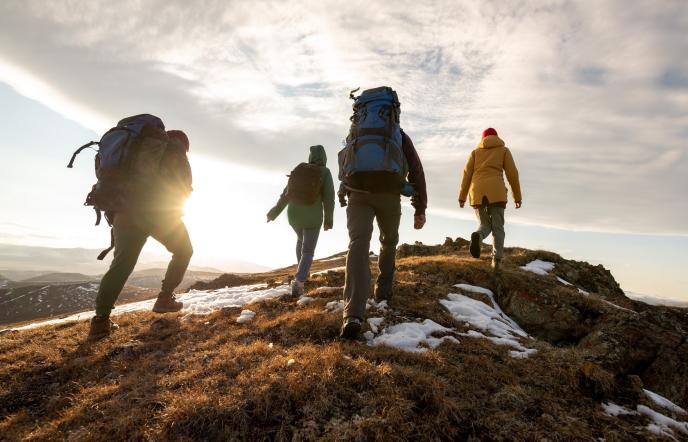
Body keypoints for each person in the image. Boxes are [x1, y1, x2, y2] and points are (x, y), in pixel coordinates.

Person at [88, 130, 194, 339]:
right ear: (183, 144)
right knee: (183, 250)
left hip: (123, 213)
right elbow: (183, 188)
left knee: (121, 264)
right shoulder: (174, 151)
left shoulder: (134, 151)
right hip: (157, 212)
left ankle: (100, 321)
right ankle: (164, 299)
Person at [339, 128, 427, 339]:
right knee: (388, 242)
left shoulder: (357, 131)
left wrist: (343, 191)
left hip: (358, 195)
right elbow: (416, 170)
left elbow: (345, 163)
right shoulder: (398, 136)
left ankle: (353, 315)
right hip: (389, 195)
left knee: (358, 244)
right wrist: (420, 208)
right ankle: (383, 292)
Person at [267, 145, 335, 297]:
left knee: (300, 241)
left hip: (294, 215)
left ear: (310, 157)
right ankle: (299, 280)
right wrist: (329, 220)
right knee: (308, 250)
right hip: (313, 217)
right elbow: (329, 198)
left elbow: (285, 194)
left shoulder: (299, 170)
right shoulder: (324, 172)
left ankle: (302, 271)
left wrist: (274, 212)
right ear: (324, 158)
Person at [458, 127, 522, 273]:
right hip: (497, 192)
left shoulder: (475, 153)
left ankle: (479, 236)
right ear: (497, 137)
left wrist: (462, 197)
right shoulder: (504, 150)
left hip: (477, 192)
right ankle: (497, 261)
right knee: (498, 227)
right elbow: (513, 174)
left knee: (483, 223)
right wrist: (517, 196)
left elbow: (466, 175)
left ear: (482, 139)